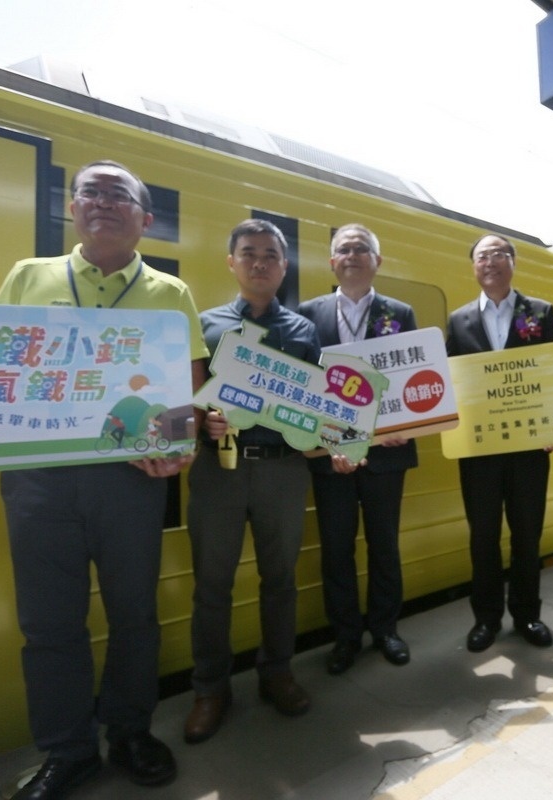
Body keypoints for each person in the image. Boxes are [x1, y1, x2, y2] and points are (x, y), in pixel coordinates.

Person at [0, 161, 209, 799]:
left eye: (121, 196)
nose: (104, 203)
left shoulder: (171, 293)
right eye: (91, 192)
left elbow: (186, 393)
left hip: (131, 479)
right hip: (39, 481)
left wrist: (180, 451)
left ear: (145, 220)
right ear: (73, 209)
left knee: (134, 614)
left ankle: (131, 731)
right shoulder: (30, 277)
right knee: (49, 622)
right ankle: (68, 750)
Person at [182, 219, 320, 745]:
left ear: (284, 267)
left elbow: (319, 408)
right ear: (231, 262)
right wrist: (203, 421)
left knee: (280, 579)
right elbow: (187, 397)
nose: (259, 262)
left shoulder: (305, 332)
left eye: (270, 254)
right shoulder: (205, 325)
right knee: (211, 585)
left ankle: (277, 673)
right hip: (219, 469)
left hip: (284, 469)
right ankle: (210, 690)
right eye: (248, 253)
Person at [297, 223, 418, 675]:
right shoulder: (308, 314)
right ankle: (345, 636)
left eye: (361, 248)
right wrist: (326, 443)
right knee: (336, 548)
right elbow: (304, 386)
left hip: (387, 451)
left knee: (384, 543)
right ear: (331, 262)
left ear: (377, 261)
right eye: (343, 249)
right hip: (331, 454)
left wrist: (407, 425)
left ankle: (387, 629)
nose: (352, 255)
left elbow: (414, 377)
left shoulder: (399, 312)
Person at [445, 233, 553, 652]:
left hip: (530, 447)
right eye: (482, 256)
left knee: (527, 535)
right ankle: (486, 619)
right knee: (483, 537)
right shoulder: (457, 321)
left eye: (498, 254)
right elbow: (450, 384)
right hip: (478, 451)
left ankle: (528, 615)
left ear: (513, 263)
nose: (490, 261)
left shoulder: (541, 312)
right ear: (473, 267)